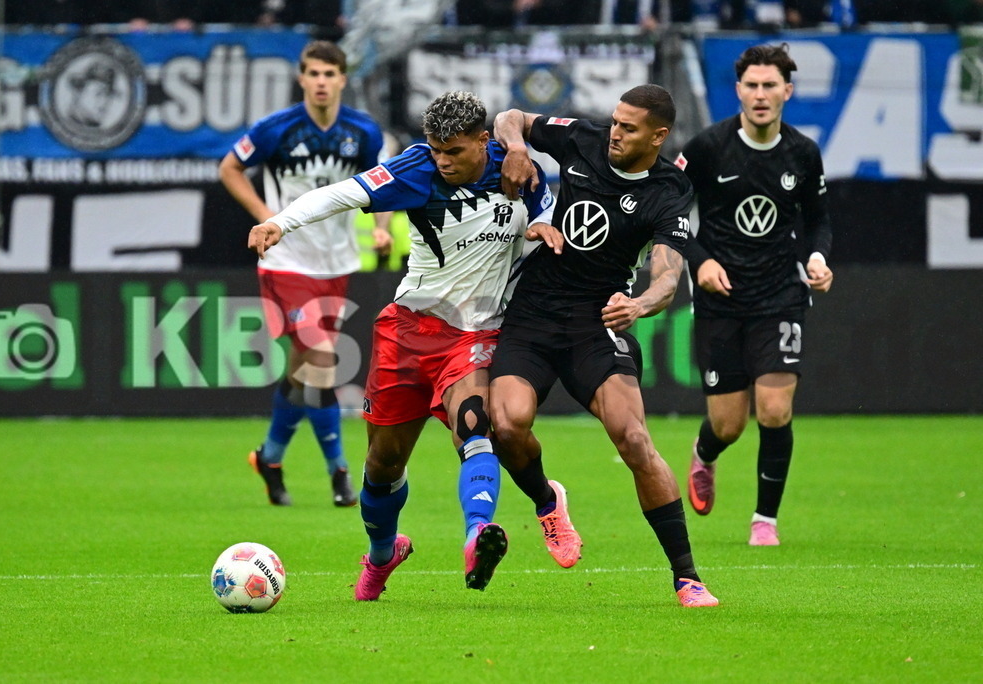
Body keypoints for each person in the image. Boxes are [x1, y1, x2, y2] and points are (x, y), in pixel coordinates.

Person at [247, 91, 557, 600]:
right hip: (409, 333)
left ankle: (477, 534)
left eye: (453, 151)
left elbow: (550, 202)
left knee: (474, 426)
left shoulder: (518, 167)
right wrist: (280, 222)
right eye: (435, 148)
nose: (442, 160)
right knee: (383, 465)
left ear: (484, 140)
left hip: (476, 333)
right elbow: (341, 193)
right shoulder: (416, 170)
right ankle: (384, 553)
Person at [491, 85, 719, 608]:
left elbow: (667, 273)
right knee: (506, 425)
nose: (615, 132)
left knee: (634, 439)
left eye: (629, 127)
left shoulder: (670, 190)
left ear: (658, 136)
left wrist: (639, 305)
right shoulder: (584, 137)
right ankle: (549, 503)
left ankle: (687, 577)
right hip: (532, 314)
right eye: (615, 121)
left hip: (597, 321)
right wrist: (518, 148)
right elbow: (509, 117)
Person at [220, 40, 393, 508]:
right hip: (286, 261)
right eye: (313, 73)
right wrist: (265, 216)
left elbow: (381, 182)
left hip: (336, 263)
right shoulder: (276, 129)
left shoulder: (363, 131)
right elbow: (230, 167)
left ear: (341, 80)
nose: (321, 81)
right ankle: (339, 473)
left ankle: (270, 457)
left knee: (303, 372)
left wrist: (380, 228)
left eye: (329, 74)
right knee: (320, 361)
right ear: (301, 78)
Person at [673, 43, 833, 547]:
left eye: (770, 86)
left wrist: (818, 257)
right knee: (729, 423)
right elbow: (672, 213)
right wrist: (700, 262)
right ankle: (706, 454)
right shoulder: (707, 148)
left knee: (775, 410)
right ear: (738, 90)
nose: (761, 95)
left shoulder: (802, 152)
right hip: (721, 298)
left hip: (780, 294)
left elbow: (819, 219)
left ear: (787, 90)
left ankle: (765, 520)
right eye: (752, 85)